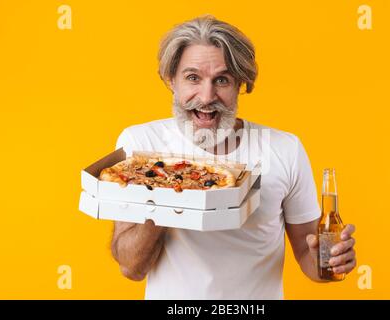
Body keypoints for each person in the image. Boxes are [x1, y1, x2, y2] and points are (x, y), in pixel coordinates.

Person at [110, 15, 356, 299]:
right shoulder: (141, 145)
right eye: (192, 78)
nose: (206, 96)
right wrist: (171, 192)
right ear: (171, 81)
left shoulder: (285, 149)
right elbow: (131, 268)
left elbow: (308, 254)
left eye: (222, 80)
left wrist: (331, 261)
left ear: (241, 84)